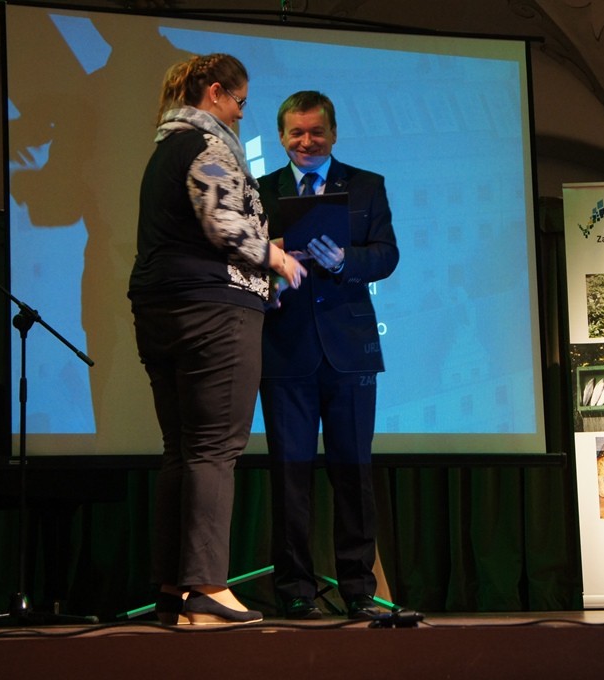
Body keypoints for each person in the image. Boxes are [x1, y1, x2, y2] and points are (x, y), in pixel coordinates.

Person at [127, 54, 306, 626]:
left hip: (161, 309)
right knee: (213, 449)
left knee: (181, 451)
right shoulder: (207, 144)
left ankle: (172, 591)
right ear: (214, 93)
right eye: (240, 101)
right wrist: (275, 257)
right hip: (214, 311)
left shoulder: (163, 149)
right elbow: (222, 222)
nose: (241, 114)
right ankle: (206, 587)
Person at [257, 91, 399, 620]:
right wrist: (273, 261)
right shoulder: (259, 190)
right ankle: (294, 589)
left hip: (351, 352)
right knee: (289, 476)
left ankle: (358, 589)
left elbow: (386, 254)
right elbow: (240, 259)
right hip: (284, 349)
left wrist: (343, 261)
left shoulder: (366, 185)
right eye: (296, 132)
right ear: (281, 137)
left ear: (334, 134)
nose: (307, 141)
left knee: (353, 475)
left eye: (316, 132)